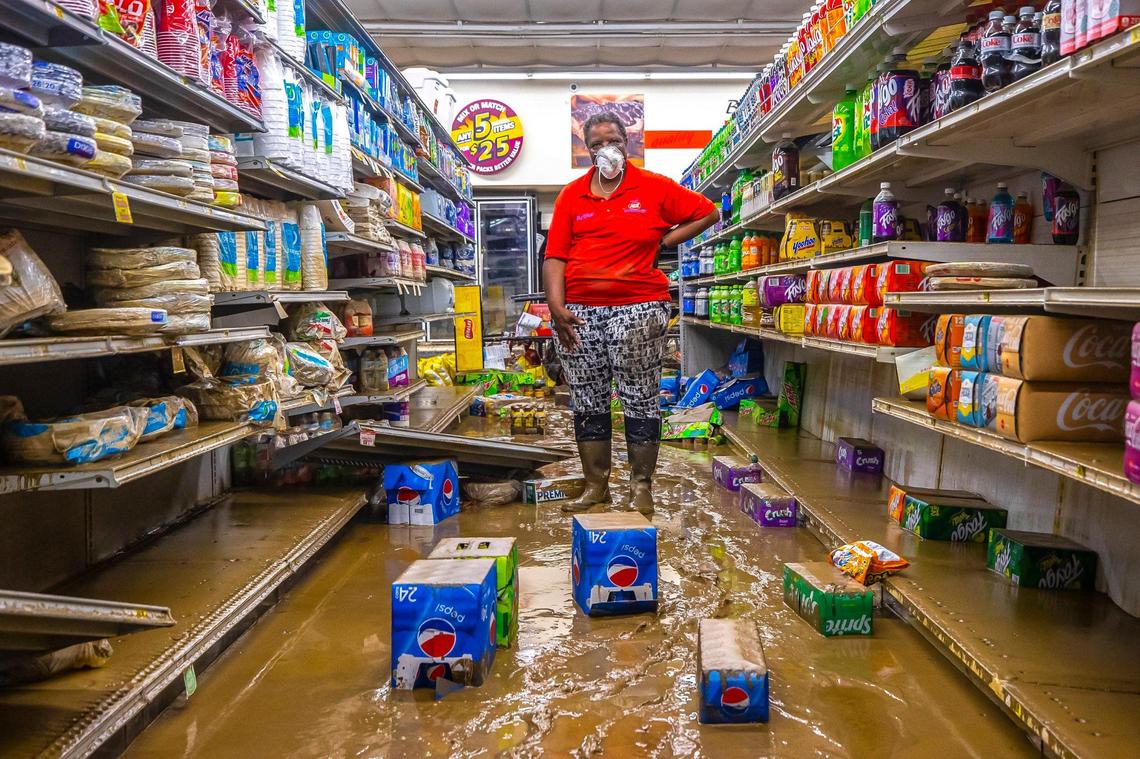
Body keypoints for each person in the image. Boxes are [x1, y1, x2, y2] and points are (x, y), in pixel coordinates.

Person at [544, 112, 718, 515]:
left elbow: (707, 212)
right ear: (587, 150)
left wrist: (663, 241)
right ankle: (596, 486)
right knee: (588, 399)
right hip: (580, 311)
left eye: (614, 140)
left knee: (639, 397)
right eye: (597, 143)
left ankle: (641, 487)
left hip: (639, 307)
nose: (607, 149)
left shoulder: (653, 188)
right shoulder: (572, 196)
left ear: (628, 144)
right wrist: (556, 307)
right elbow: (555, 255)